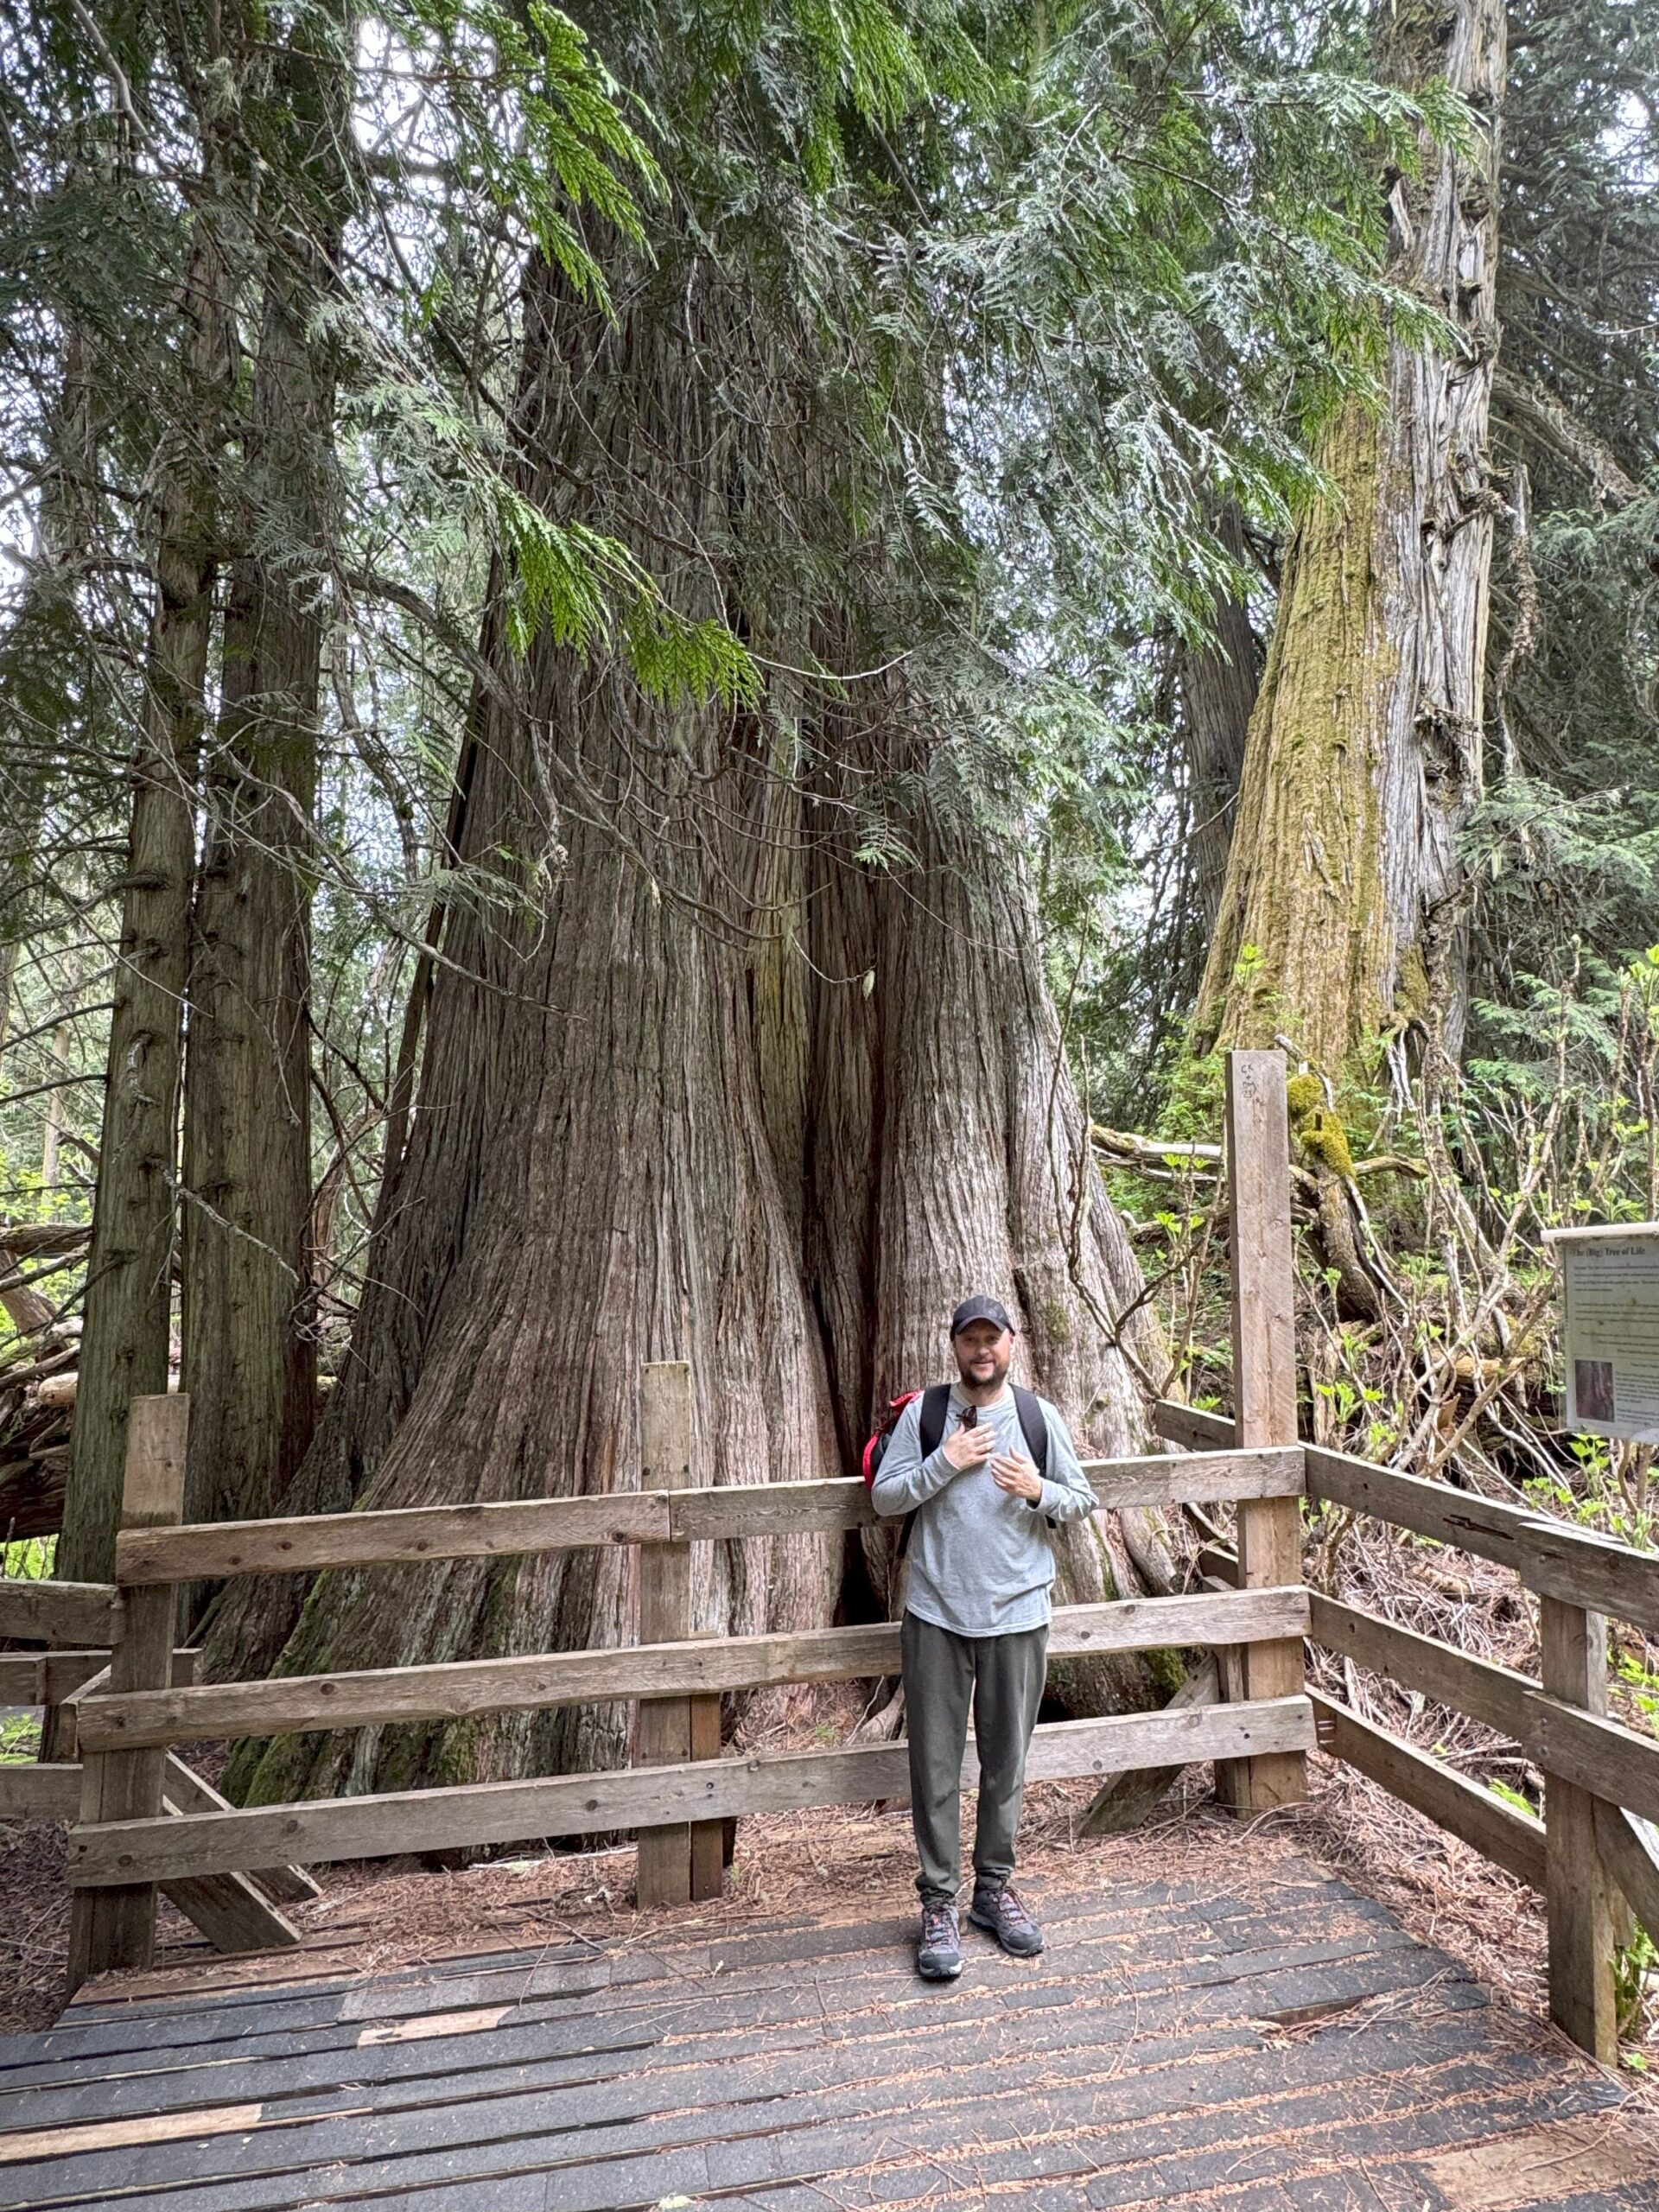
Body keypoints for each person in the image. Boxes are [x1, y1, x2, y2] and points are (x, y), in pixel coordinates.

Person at [870, 1294, 1097, 1980]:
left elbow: (1082, 1499)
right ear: (955, 1347)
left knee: (1006, 1766)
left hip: (1019, 1615)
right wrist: (947, 1460)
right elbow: (884, 1498)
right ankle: (938, 1903)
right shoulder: (926, 1416)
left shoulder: (1037, 1417)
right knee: (935, 1768)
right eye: (970, 1340)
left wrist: (1037, 1489)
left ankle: (993, 1892)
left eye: (991, 1339)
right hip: (938, 1613)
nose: (981, 1351)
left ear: (1012, 1344)